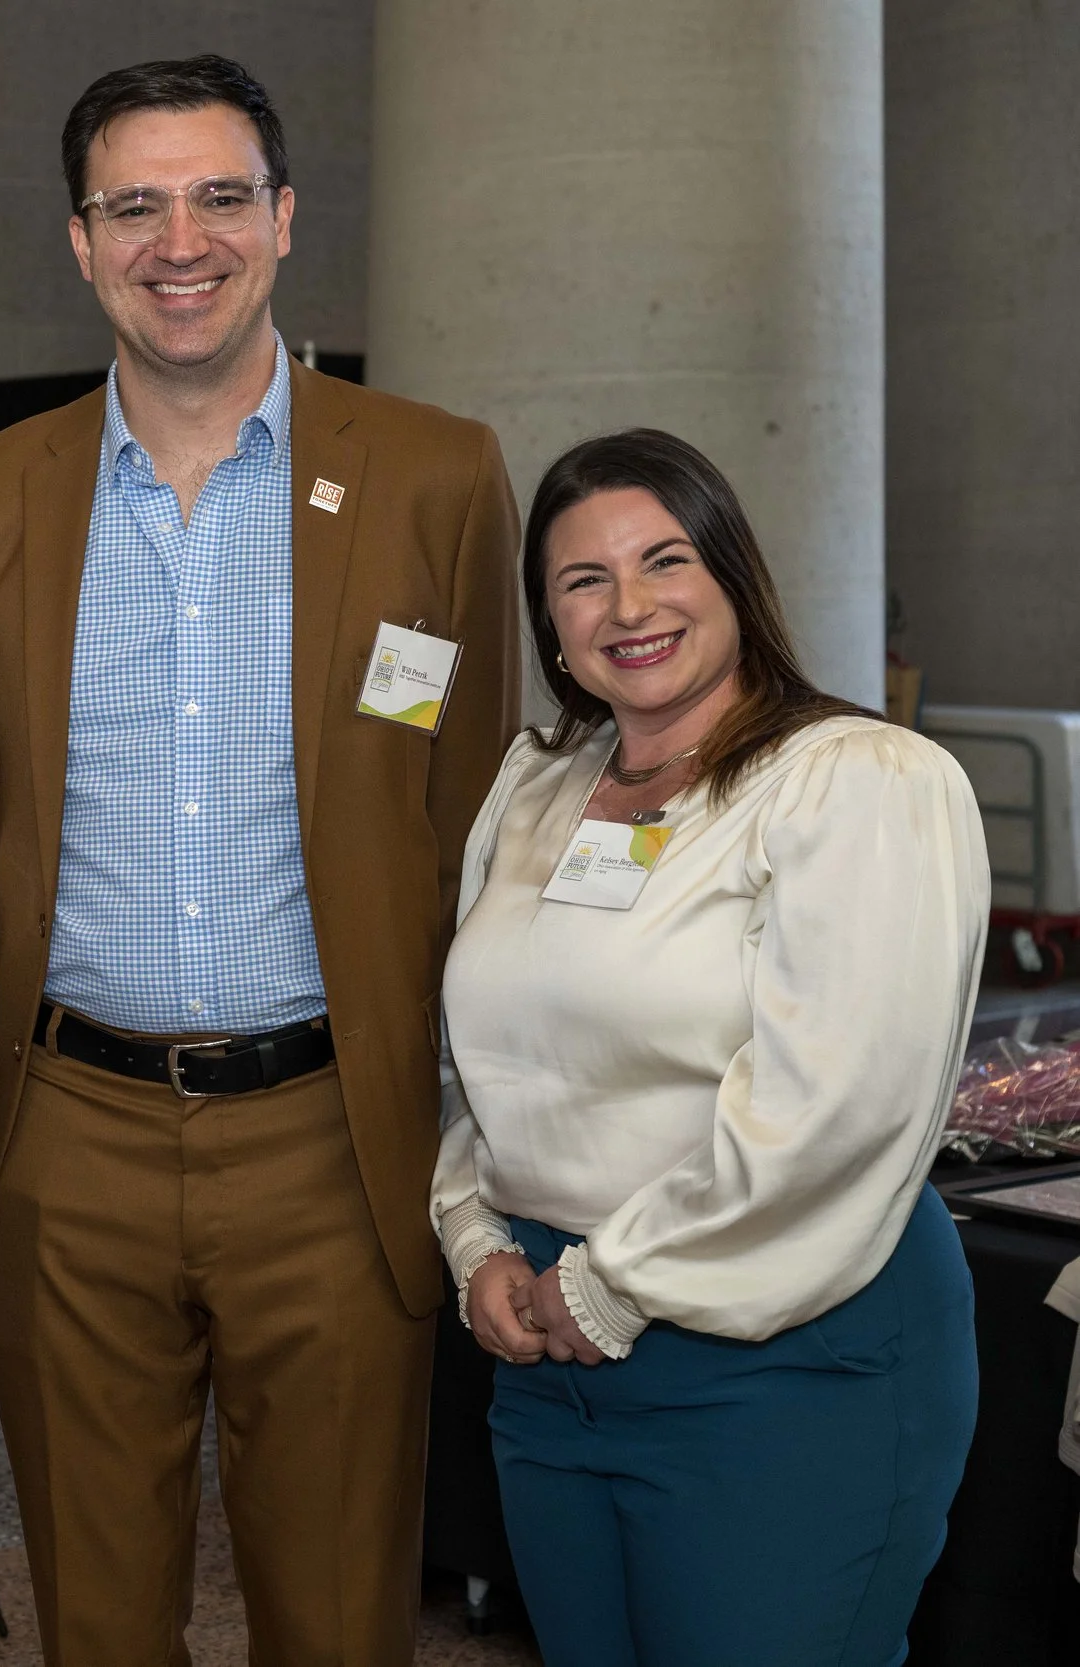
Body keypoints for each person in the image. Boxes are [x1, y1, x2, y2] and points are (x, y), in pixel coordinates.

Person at [0, 54, 521, 1664]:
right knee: (96, 1621)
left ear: (285, 219)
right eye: (136, 204)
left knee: (335, 1614)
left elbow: (463, 800)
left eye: (219, 196)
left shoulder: (436, 471)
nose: (180, 239)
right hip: (74, 1135)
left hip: (333, 1136)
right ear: (80, 241)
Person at [434, 429, 983, 1665]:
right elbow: (485, 1061)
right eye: (582, 580)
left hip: (781, 1358)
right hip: (544, 1364)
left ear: (731, 570)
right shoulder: (535, 791)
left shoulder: (855, 780)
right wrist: (472, 1238)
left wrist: (605, 1282)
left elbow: (834, 1106)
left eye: (662, 559)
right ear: (549, 621)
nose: (627, 606)